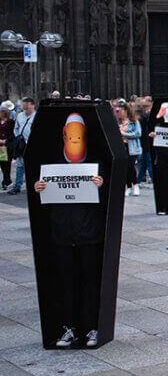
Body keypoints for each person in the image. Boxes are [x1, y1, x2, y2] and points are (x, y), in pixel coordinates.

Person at [32, 114, 107, 348]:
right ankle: (69, 327)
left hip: (88, 233)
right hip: (62, 234)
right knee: (66, 283)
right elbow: (43, 204)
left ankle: (93, 326)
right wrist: (38, 188)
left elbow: (112, 198)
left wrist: (102, 186)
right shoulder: (52, 163)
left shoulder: (96, 162)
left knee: (90, 282)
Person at [8, 97, 35, 194]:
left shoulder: (36, 115)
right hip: (22, 144)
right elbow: (16, 128)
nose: (25, 107)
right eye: (24, 105)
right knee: (20, 165)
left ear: (32, 105)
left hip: (33, 144)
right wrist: (19, 137)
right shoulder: (20, 116)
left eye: (27, 105)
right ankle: (17, 186)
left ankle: (33, 185)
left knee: (33, 165)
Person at [115, 103, 142, 197]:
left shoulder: (134, 122)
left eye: (121, 110)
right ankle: (128, 187)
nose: (119, 113)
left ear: (126, 111)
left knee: (131, 166)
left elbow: (138, 133)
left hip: (131, 147)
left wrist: (124, 134)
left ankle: (135, 184)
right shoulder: (118, 123)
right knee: (125, 167)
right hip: (122, 147)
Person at [0, 103, 14, 189]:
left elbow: (13, 134)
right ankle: (6, 180)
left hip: (7, 146)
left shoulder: (11, 122)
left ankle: (6, 181)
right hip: (1, 147)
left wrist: (6, 140)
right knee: (2, 163)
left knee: (7, 164)